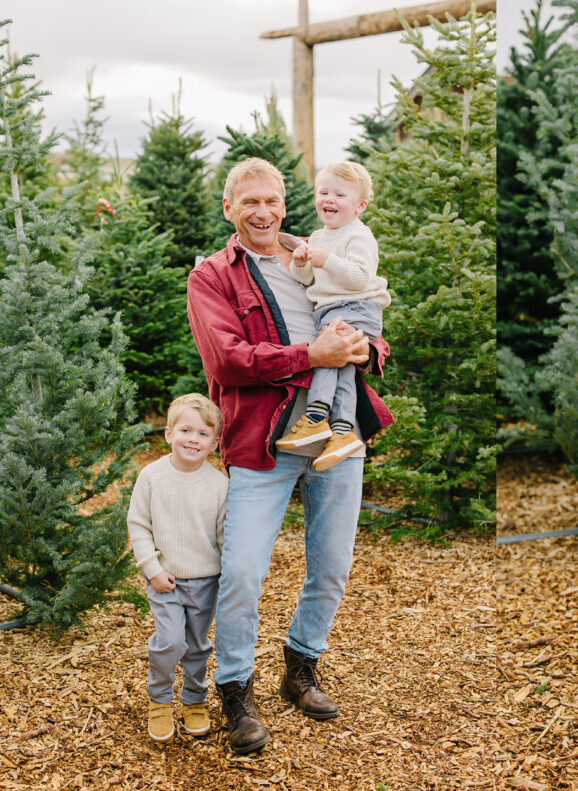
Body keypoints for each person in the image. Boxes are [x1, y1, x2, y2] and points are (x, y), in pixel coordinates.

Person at [186, 157, 392, 755]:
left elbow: (369, 322)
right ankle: (235, 691)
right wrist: (313, 355)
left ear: (284, 204)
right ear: (229, 208)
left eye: (271, 201)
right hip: (264, 438)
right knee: (245, 570)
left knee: (331, 567)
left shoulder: (314, 253)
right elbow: (225, 360)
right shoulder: (213, 278)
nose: (263, 212)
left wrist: (362, 348)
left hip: (339, 434)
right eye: (249, 201)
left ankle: (300, 667)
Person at [275, 160, 391, 471]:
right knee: (342, 368)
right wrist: (301, 262)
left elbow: (358, 278)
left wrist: (327, 260)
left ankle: (315, 416)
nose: (329, 199)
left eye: (340, 195)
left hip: (357, 306)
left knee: (328, 356)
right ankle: (342, 431)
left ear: (360, 205)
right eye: (323, 192)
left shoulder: (358, 235)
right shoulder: (319, 235)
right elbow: (306, 281)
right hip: (333, 307)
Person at [127, 393, 228, 743]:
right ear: (169, 433)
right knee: (169, 642)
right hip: (164, 580)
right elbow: (138, 524)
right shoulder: (152, 476)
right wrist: (151, 569)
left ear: (214, 444)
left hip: (206, 582)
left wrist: (229, 575)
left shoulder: (218, 485)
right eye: (186, 430)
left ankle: (194, 700)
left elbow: (222, 537)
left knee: (198, 646)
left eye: (203, 434)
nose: (193, 439)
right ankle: (159, 700)